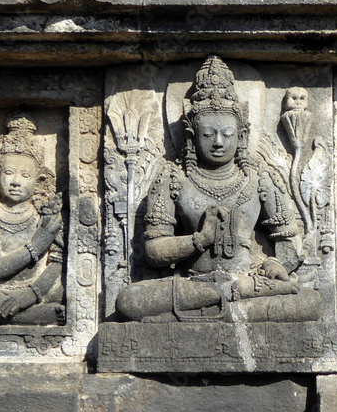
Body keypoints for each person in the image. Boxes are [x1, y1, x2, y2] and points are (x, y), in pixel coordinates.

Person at [115, 55, 322, 322]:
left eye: (227, 134)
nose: (218, 142)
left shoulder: (260, 178)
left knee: (311, 303)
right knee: (129, 301)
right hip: (193, 284)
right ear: (190, 135)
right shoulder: (172, 179)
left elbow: (288, 242)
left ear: (242, 135)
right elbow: (154, 251)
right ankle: (227, 306)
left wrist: (273, 265)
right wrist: (199, 239)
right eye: (207, 134)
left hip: (249, 282)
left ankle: (209, 310)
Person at [0, 113, 65, 325]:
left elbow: (57, 263)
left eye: (26, 176)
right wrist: (39, 242)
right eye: (9, 173)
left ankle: (10, 316)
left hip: (37, 291)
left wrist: (28, 295)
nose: (16, 182)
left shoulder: (45, 214)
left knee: (68, 283)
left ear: (40, 181)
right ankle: (32, 318)